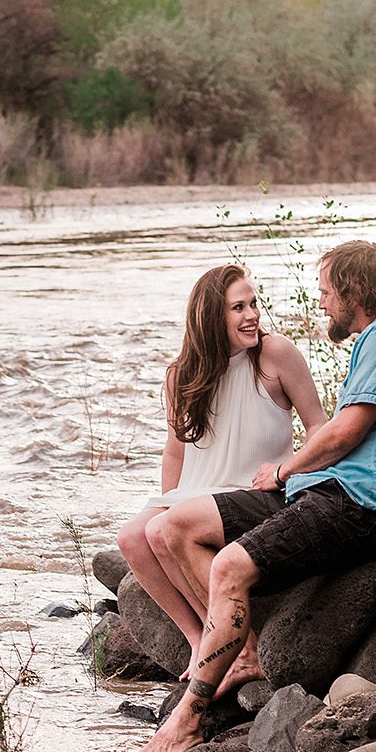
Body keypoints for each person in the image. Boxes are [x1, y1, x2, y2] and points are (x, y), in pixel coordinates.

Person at [126, 240, 376, 752]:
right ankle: (217, 649)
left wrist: (285, 468)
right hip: (325, 491)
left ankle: (189, 717)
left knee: (228, 566)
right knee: (169, 528)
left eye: (325, 292)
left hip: (357, 503)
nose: (320, 304)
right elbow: (179, 445)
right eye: (240, 306)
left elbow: (343, 430)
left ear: (354, 292)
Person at [117, 263, 326, 692]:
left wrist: (299, 471)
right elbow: (176, 450)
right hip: (197, 490)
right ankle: (199, 641)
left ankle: (241, 647)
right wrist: (167, 500)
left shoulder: (276, 354)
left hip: (255, 491)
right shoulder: (182, 374)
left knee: (161, 531)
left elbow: (319, 426)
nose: (252, 315)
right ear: (212, 316)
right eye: (238, 308)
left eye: (254, 304)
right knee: (133, 538)